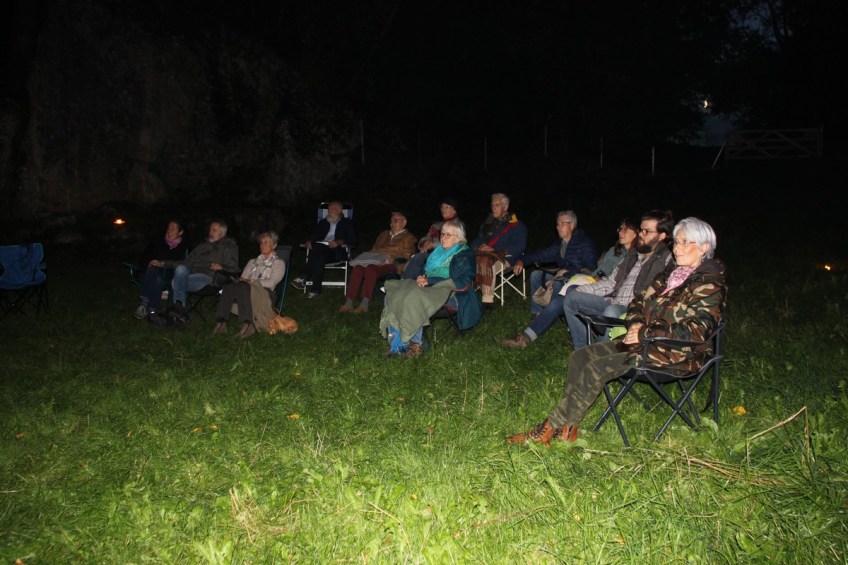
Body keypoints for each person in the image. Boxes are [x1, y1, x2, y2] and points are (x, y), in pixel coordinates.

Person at [507, 217, 727, 446]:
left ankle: (549, 427)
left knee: (595, 368)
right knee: (579, 357)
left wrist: (645, 333)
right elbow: (638, 301)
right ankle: (568, 426)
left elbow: (697, 331)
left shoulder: (709, 283)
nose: (677, 248)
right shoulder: (671, 274)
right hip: (645, 343)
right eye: (677, 242)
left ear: (704, 247)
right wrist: (635, 324)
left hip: (676, 353)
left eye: (685, 242)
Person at [502, 210, 673, 350]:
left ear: (662, 236)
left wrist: (573, 276)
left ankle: (597, 352)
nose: (641, 235)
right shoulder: (631, 255)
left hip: (630, 306)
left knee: (608, 309)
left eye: (646, 231)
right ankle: (581, 349)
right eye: (641, 230)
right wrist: (579, 289)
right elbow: (611, 282)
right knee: (569, 295)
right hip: (608, 294)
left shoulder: (665, 260)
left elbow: (591, 268)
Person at [379, 219, 483, 358]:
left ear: (458, 238)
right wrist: (422, 278)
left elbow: (462, 281)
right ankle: (397, 344)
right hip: (429, 288)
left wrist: (430, 281)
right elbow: (426, 272)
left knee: (413, 298)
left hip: (450, 294)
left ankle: (416, 345)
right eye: (442, 234)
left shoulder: (465, 255)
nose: (443, 238)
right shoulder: (437, 253)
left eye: (448, 235)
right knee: (393, 293)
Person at [511, 210, 598, 319]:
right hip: (562, 277)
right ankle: (537, 313)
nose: (557, 227)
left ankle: (552, 313)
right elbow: (541, 255)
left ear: (572, 225)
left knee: (557, 283)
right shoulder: (560, 244)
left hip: (576, 282)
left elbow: (590, 269)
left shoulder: (585, 243)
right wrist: (522, 260)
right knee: (536, 275)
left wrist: (568, 273)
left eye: (562, 224)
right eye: (557, 224)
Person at [159, 219, 239, 321]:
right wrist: (164, 263)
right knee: (181, 269)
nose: (210, 232)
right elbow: (186, 262)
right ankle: (180, 310)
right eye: (210, 230)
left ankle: (179, 311)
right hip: (192, 272)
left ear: (222, 233)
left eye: (214, 230)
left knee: (176, 282)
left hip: (210, 277)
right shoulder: (203, 245)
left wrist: (222, 268)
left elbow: (234, 268)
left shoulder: (227, 246)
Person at [212, 231, 285, 339]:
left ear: (274, 245)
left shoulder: (279, 263)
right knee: (229, 285)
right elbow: (243, 278)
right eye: (261, 242)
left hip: (265, 295)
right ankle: (221, 322)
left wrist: (250, 281)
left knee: (243, 285)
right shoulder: (252, 262)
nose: (262, 245)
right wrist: (244, 281)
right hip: (246, 292)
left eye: (266, 242)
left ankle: (248, 324)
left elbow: (271, 283)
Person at [340, 211, 417, 313]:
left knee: (370, 269)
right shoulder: (384, 234)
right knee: (358, 268)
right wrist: (365, 259)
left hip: (393, 263)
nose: (392, 224)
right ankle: (348, 302)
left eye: (395, 221)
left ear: (404, 223)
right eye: (391, 221)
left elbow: (407, 256)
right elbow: (374, 249)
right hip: (375, 259)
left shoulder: (408, 238)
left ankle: (364, 304)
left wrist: (390, 259)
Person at [469, 193, 528, 307]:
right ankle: (465, 293)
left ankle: (487, 300)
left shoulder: (516, 225)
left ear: (505, 207)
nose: (493, 208)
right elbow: (479, 239)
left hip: (505, 258)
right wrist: (478, 247)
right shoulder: (488, 223)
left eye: (497, 205)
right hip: (484, 254)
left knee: (487, 262)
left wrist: (494, 250)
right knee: (466, 259)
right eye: (492, 205)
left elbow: (519, 247)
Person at [291, 200, 357, 299]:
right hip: (320, 251)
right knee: (320, 256)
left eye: (331, 209)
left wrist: (339, 242)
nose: (328, 212)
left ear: (339, 210)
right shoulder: (323, 222)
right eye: (328, 209)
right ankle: (315, 291)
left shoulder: (347, 223)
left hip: (335, 252)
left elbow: (353, 240)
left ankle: (303, 277)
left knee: (318, 250)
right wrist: (308, 241)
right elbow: (313, 235)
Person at [133, 219, 191, 320]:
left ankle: (144, 305)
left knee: (159, 278)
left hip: (167, 275)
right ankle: (151, 310)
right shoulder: (158, 242)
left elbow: (178, 265)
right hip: (148, 274)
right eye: (168, 228)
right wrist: (150, 262)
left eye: (173, 229)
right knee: (155, 274)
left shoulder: (183, 247)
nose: (169, 231)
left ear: (180, 232)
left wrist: (162, 263)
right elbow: (143, 258)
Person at [402, 197, 460, 280]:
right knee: (416, 258)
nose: (443, 209)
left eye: (447, 207)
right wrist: (425, 242)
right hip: (429, 252)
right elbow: (425, 238)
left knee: (418, 258)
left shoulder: (458, 225)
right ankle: (407, 281)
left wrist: (433, 244)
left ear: (454, 210)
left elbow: (455, 243)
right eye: (442, 207)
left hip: (445, 255)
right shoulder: (436, 225)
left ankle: (405, 281)